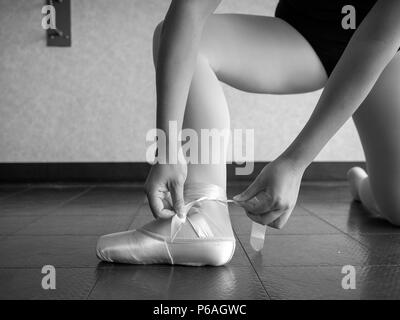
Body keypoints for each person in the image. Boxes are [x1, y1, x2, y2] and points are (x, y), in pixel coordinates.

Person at [96, 0, 400, 266]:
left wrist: (295, 163)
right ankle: (204, 217)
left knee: (396, 206)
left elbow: (374, 41)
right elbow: (190, 8)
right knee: (176, 36)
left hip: (387, 51)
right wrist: (169, 145)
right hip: (305, 36)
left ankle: (365, 188)